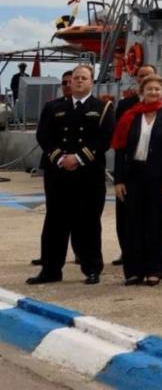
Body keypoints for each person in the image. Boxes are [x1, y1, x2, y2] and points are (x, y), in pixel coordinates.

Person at [29, 64, 113, 285]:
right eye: (75, 78)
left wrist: (77, 158)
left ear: (91, 82)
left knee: (88, 224)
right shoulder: (53, 108)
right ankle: (51, 270)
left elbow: (103, 140)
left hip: (88, 175)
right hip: (59, 174)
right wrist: (60, 158)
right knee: (55, 223)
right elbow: (44, 136)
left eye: (83, 78)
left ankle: (92, 268)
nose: (78, 81)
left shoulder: (102, 108)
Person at [112, 74, 162, 286]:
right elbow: (120, 150)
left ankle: (154, 270)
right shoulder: (130, 116)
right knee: (132, 224)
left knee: (156, 224)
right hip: (133, 177)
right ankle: (133, 271)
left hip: (158, 179)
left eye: (157, 89)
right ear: (142, 92)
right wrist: (118, 180)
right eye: (149, 89)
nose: (153, 93)